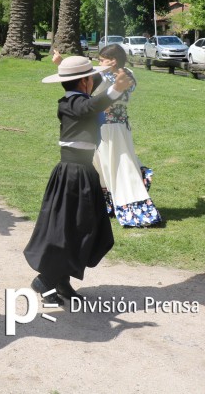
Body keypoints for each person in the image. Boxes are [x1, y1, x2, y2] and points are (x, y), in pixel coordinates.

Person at [23, 55, 133, 304]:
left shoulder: (79, 95)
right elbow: (90, 106)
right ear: (83, 82)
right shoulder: (71, 103)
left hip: (83, 172)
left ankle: (62, 280)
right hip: (73, 175)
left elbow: (93, 88)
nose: (93, 81)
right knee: (71, 228)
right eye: (89, 78)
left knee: (81, 227)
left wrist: (104, 70)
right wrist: (116, 88)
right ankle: (46, 281)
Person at [93, 44, 162, 227]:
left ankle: (131, 207)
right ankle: (108, 203)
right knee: (106, 164)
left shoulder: (105, 76)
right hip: (117, 126)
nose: (99, 63)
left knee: (118, 164)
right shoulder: (129, 74)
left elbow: (93, 90)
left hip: (109, 128)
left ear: (113, 61)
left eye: (102, 60)